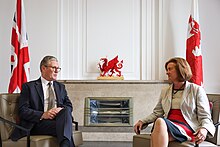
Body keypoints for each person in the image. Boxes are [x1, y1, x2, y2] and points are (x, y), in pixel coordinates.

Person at [134, 57, 215, 147]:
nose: (167, 72)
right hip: (168, 126)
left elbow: (205, 116)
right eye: (167, 69)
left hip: (186, 127)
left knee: (159, 123)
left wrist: (204, 129)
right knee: (158, 132)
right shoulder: (165, 90)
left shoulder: (196, 90)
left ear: (180, 69)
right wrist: (142, 121)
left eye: (170, 69)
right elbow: (157, 113)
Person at [10, 55, 75, 147]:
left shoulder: (60, 87)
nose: (57, 71)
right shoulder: (29, 87)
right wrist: (43, 114)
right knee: (66, 128)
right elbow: (22, 110)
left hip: (58, 120)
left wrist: (59, 110)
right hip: (38, 123)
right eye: (54, 68)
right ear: (43, 68)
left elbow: (69, 105)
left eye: (58, 68)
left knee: (66, 111)